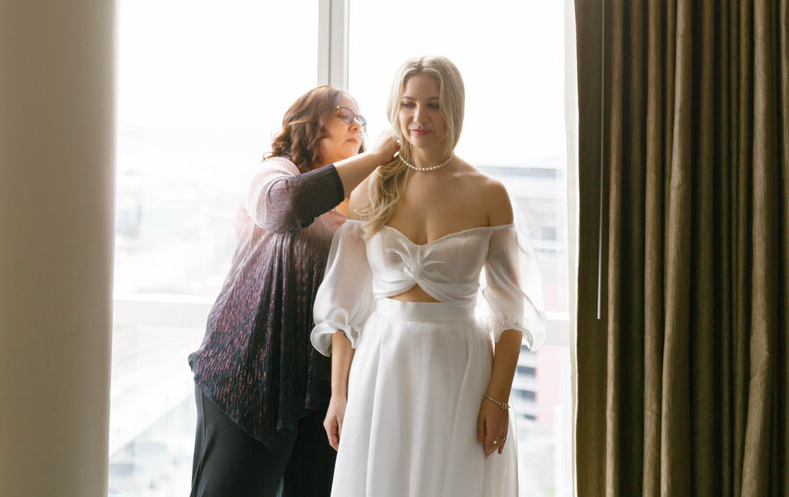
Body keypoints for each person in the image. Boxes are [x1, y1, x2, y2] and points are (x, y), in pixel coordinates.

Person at [311, 56, 545, 497]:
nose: (419, 118)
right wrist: (338, 394)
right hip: (383, 366)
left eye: (434, 105)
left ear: (453, 109)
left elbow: (512, 313)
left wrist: (497, 399)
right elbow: (345, 308)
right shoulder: (374, 186)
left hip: (459, 366)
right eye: (408, 104)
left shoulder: (489, 193)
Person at [188, 85, 400, 497]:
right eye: (344, 114)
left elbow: (355, 305)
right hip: (247, 375)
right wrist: (376, 157)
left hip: (321, 393)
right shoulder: (276, 173)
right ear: (309, 124)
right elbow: (283, 208)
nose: (357, 124)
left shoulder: (364, 206)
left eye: (361, 120)